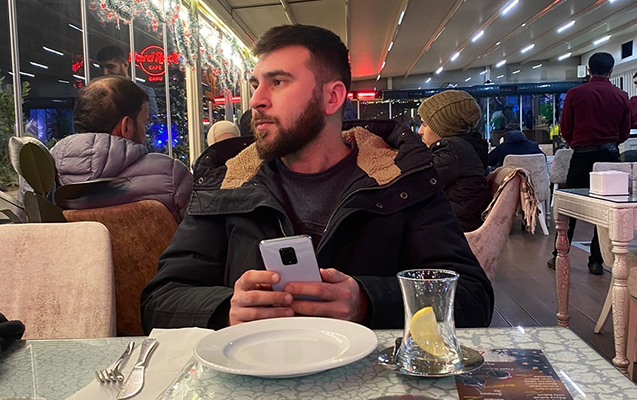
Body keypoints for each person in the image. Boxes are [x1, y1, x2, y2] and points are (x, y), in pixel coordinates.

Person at [140, 24, 493, 333]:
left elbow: (472, 299)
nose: (256, 100)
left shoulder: (401, 179)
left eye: (278, 82)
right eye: (256, 84)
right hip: (255, 372)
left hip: (369, 377)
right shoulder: (226, 182)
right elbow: (160, 302)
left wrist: (367, 302)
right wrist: (226, 309)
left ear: (332, 97)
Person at [49, 75, 192, 223]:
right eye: (144, 123)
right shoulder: (171, 175)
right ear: (126, 127)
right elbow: (199, 233)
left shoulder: (45, 176)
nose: (145, 132)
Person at [547, 52, 631, 275]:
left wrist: (576, 143)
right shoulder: (621, 95)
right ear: (611, 71)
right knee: (607, 210)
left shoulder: (575, 94)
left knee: (569, 206)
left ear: (588, 70)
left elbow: (566, 127)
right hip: (610, 158)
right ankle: (596, 260)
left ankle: (559, 254)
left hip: (582, 156)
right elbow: (624, 131)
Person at [417, 90, 490, 232]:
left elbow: (418, 181)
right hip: (457, 218)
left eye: (424, 124)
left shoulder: (451, 149)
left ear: (445, 128)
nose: (420, 131)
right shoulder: (465, 147)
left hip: (450, 226)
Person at [96, 45, 159, 116]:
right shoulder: (99, 91)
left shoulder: (145, 90)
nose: (105, 72)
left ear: (125, 65)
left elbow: (152, 118)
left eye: (110, 66)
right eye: (101, 67)